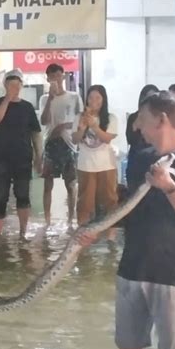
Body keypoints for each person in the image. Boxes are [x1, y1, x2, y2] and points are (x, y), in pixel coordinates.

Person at [78, 91, 175, 349]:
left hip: (171, 271)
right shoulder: (140, 159)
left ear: (163, 120)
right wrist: (95, 231)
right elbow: (131, 210)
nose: (139, 128)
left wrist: (170, 187)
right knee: (128, 346)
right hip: (132, 269)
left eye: (144, 121)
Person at [0, 69, 43, 237]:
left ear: (22, 86)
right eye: (11, 84)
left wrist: (39, 156)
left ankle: (23, 232)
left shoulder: (27, 107)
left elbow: (36, 133)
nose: (14, 88)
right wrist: (7, 100)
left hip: (23, 158)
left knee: (23, 196)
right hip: (0, 158)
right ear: (5, 85)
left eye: (17, 85)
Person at [72, 85, 119, 241]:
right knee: (85, 202)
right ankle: (84, 235)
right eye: (91, 97)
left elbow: (107, 138)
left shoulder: (111, 118)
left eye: (98, 97)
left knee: (109, 200)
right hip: (85, 166)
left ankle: (110, 235)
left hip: (106, 165)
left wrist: (94, 126)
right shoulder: (79, 117)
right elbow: (75, 140)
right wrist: (82, 127)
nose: (94, 101)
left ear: (103, 99)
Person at [39, 63, 83, 227]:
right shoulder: (44, 98)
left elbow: (80, 120)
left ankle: (71, 219)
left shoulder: (74, 97)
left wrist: (64, 126)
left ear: (63, 76)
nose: (56, 79)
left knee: (71, 184)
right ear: (48, 79)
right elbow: (43, 121)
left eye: (58, 76)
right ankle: (47, 220)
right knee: (47, 183)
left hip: (69, 144)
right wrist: (50, 98)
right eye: (52, 77)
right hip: (50, 143)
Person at [126, 84, 159, 182]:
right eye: (148, 98)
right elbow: (130, 139)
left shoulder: (160, 117)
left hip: (154, 158)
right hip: (136, 157)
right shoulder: (134, 117)